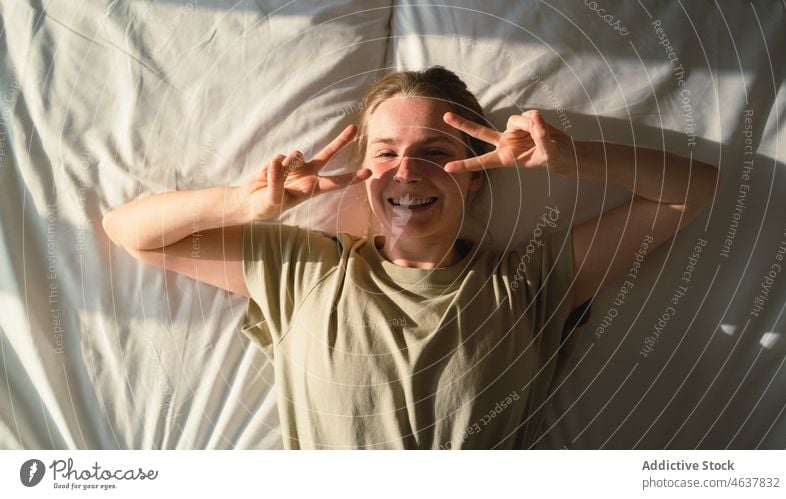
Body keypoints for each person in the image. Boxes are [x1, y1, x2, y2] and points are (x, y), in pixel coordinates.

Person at [103, 66, 719, 449]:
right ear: (362, 170)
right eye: (386, 151)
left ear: (477, 175)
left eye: (434, 150)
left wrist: (566, 160)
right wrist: (244, 201)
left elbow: (693, 192)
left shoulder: (527, 278)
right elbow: (130, 231)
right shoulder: (306, 268)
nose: (406, 169)